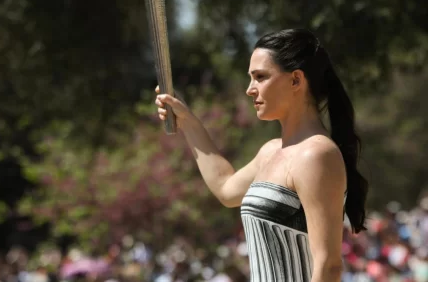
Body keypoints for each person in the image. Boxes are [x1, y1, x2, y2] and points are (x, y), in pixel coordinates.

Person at [154, 28, 368, 282]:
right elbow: (225, 188)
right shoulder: (270, 151)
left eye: (260, 77)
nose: (250, 89)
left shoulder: (316, 154)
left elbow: (328, 265)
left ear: (296, 80)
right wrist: (187, 120)